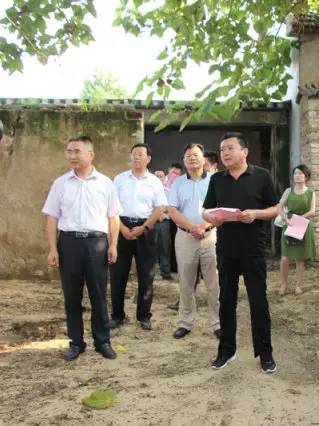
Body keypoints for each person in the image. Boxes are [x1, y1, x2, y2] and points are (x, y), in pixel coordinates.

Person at [203, 132, 279, 373]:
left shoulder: (262, 176)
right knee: (225, 301)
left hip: (253, 248)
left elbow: (277, 208)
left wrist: (255, 214)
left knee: (258, 301)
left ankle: (265, 354)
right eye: (222, 149)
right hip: (226, 249)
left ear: (244, 152)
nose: (224, 152)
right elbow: (206, 210)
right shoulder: (217, 180)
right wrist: (210, 217)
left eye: (230, 148)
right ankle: (226, 351)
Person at [42, 135, 122, 361]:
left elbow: (113, 217)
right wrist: (52, 249)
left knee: (98, 294)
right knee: (71, 297)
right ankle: (76, 343)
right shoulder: (60, 183)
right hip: (68, 244)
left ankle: (102, 341)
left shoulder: (106, 183)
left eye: (76, 151)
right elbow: (52, 218)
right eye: (69, 151)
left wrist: (113, 245)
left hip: (97, 244)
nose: (72, 155)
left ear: (90, 154)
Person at [109, 144, 167, 331]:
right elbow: (111, 207)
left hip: (147, 229)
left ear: (148, 158)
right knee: (118, 275)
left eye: (140, 154)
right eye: (133, 154)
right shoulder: (119, 179)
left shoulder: (154, 182)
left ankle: (144, 316)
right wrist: (123, 228)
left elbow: (160, 208)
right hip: (122, 228)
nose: (136, 157)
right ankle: (117, 315)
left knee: (146, 275)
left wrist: (144, 227)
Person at [168, 144, 221, 339]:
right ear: (184, 160)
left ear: (203, 159)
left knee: (213, 282)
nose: (192, 158)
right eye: (188, 155)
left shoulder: (215, 181)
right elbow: (172, 210)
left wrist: (204, 227)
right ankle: (186, 322)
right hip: (185, 237)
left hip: (211, 235)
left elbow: (219, 208)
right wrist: (192, 227)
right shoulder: (178, 183)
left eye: (196, 155)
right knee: (186, 282)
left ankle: (217, 323)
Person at [277, 164, 316, 296]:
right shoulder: (288, 191)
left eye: (300, 173)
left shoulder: (311, 193)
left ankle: (299, 285)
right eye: (295, 173)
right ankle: (283, 284)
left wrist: (299, 219)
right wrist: (287, 219)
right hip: (289, 224)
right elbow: (279, 207)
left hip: (302, 225)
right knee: (284, 258)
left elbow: (312, 211)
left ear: (306, 176)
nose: (297, 176)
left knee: (300, 259)